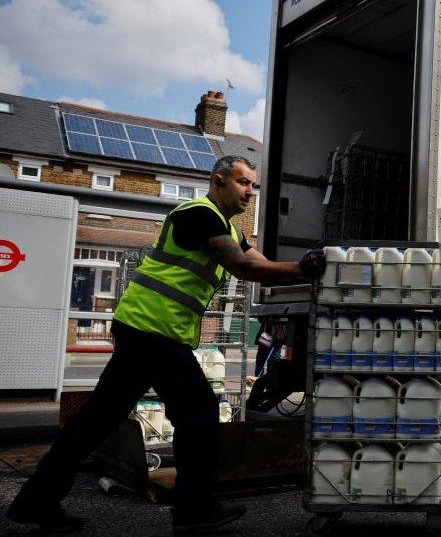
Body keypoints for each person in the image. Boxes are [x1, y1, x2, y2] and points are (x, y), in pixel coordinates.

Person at [6, 155, 327, 533]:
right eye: (242, 183)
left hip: (145, 328)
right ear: (218, 181)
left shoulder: (227, 226)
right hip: (153, 330)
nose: (249, 192)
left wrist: (301, 269)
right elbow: (244, 267)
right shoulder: (198, 213)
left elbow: (261, 262)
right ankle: (194, 514)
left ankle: (34, 502)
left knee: (96, 421)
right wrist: (304, 267)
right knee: (199, 412)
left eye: (253, 185)